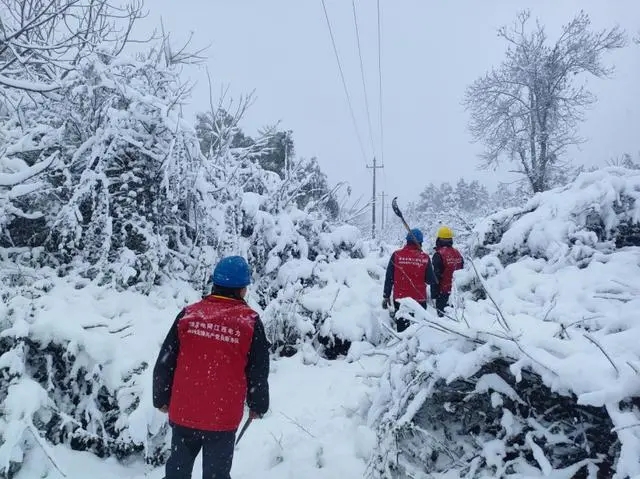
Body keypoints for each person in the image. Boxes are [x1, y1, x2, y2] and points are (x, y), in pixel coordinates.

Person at [153, 255, 270, 479]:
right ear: (242, 290)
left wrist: (161, 397)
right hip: (222, 418)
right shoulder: (249, 322)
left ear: (215, 282)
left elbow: (166, 360)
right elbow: (258, 371)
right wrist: (258, 405)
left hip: (184, 412)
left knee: (177, 473)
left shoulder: (189, 315)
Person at [382, 228, 438, 332]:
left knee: (403, 332)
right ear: (420, 242)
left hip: (401, 300)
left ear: (407, 240)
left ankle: (402, 347)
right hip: (419, 300)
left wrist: (386, 295)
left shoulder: (396, 255)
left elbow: (389, 277)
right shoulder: (425, 257)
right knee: (419, 331)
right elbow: (430, 280)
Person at [431, 226, 464, 317]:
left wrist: (433, 295)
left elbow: (435, 277)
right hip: (457, 293)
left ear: (439, 240)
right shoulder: (457, 253)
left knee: (443, 320)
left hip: (443, 293)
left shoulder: (439, 255)